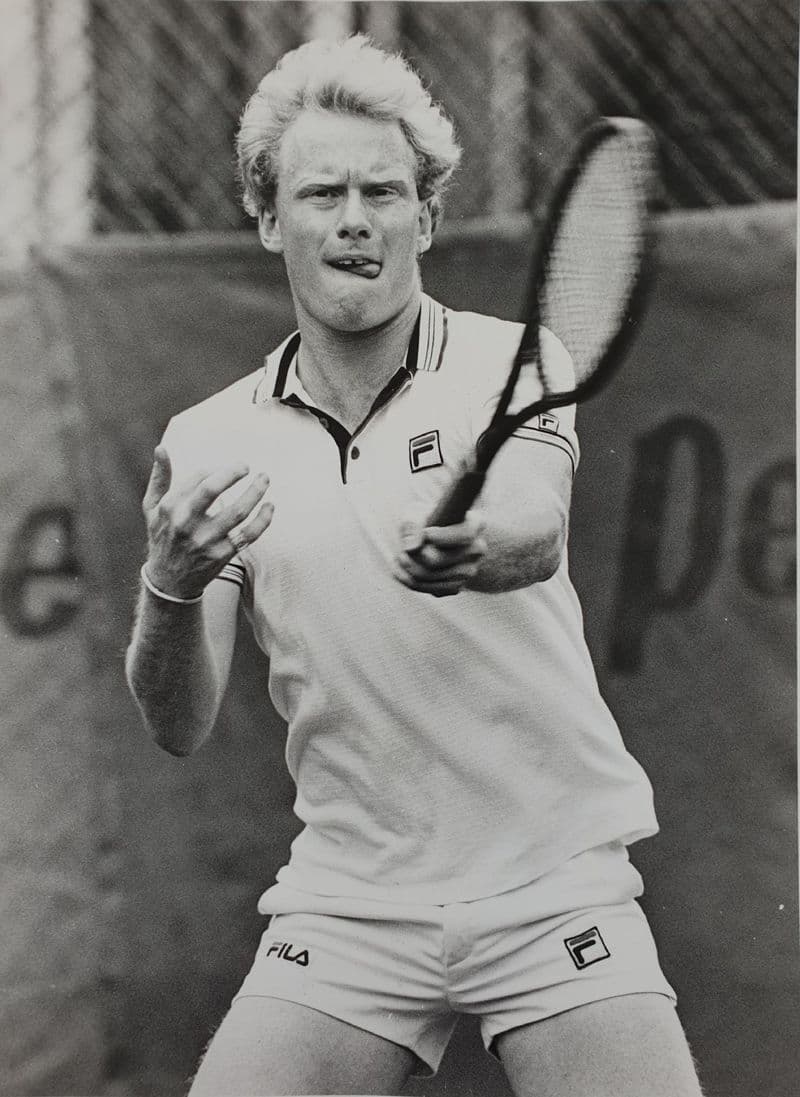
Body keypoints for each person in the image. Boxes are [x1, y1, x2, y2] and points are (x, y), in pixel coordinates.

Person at [126, 34, 704, 1097]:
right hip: (351, 899)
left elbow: (532, 521)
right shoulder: (206, 441)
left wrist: (472, 548)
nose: (355, 218)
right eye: (322, 193)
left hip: (549, 880)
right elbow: (178, 722)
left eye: (384, 192)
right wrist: (167, 588)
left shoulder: (510, 365)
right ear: (269, 220)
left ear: (424, 218)